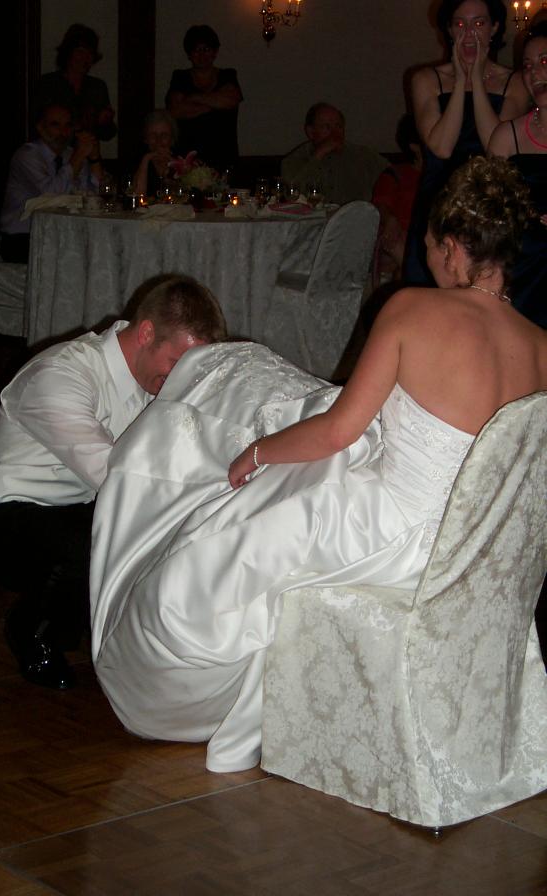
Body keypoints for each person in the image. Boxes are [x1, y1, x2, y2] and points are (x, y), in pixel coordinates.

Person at [90, 157, 547, 773]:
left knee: (198, 574)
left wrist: (256, 452)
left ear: (452, 246)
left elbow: (336, 431)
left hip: (395, 535)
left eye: (429, 245)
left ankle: (170, 692)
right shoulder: (541, 346)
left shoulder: (415, 311)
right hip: (482, 550)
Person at [0, 276, 227, 690]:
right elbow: (115, 476)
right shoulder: (59, 375)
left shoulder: (160, 375)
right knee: (106, 541)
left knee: (159, 533)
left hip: (79, 505)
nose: (183, 378)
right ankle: (32, 626)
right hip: (0, 518)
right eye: (177, 362)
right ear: (146, 333)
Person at [404, 0, 530, 284]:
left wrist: (477, 79)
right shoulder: (426, 79)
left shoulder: (515, 82)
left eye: (479, 23)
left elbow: (494, 148)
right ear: (449, 30)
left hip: (487, 210)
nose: (469, 33)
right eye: (460, 24)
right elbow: (442, 147)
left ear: (494, 28)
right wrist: (461, 81)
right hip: (437, 206)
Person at [488, 22, 547, 327]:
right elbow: (488, 213)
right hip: (522, 269)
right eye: (527, 65)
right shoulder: (507, 136)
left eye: (544, 61)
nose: (535, 73)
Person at [0, 102, 103, 263]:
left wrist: (95, 159)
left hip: (60, 234)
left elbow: (91, 196)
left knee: (97, 250)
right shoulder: (27, 155)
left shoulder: (71, 155)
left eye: (68, 125)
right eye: (55, 125)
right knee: (75, 256)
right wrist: (79, 156)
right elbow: (50, 194)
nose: (63, 132)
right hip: (22, 236)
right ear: (41, 128)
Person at [166, 24, 243, 172]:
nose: (201, 55)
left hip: (224, 157)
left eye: (206, 49)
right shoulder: (180, 77)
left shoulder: (227, 75)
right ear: (189, 54)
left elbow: (231, 100)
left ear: (215, 52)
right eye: (196, 50)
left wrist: (192, 97)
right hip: (188, 159)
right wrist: (216, 103)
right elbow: (175, 110)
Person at [280, 103, 388, 206]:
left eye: (339, 126)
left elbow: (392, 177)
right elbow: (293, 196)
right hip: (312, 218)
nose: (335, 133)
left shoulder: (364, 156)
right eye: (327, 127)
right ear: (311, 132)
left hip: (357, 217)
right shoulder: (294, 160)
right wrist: (318, 155)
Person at [35, 23, 117, 142]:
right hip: (53, 150)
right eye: (80, 51)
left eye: (90, 53)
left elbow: (107, 134)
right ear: (68, 53)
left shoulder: (97, 87)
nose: (85, 58)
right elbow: (39, 125)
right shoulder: (48, 84)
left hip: (87, 151)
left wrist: (105, 121)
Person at [372, 114, 423, 284]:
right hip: (398, 239)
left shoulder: (444, 176)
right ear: (414, 146)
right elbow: (380, 205)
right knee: (395, 238)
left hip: (429, 240)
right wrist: (390, 219)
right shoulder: (395, 174)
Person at [132, 110, 178, 197]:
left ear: (172, 139)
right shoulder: (138, 161)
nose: (158, 140)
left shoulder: (181, 160)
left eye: (164, 135)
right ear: (146, 139)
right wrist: (146, 159)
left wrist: (174, 163)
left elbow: (182, 195)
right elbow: (136, 195)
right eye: (153, 135)